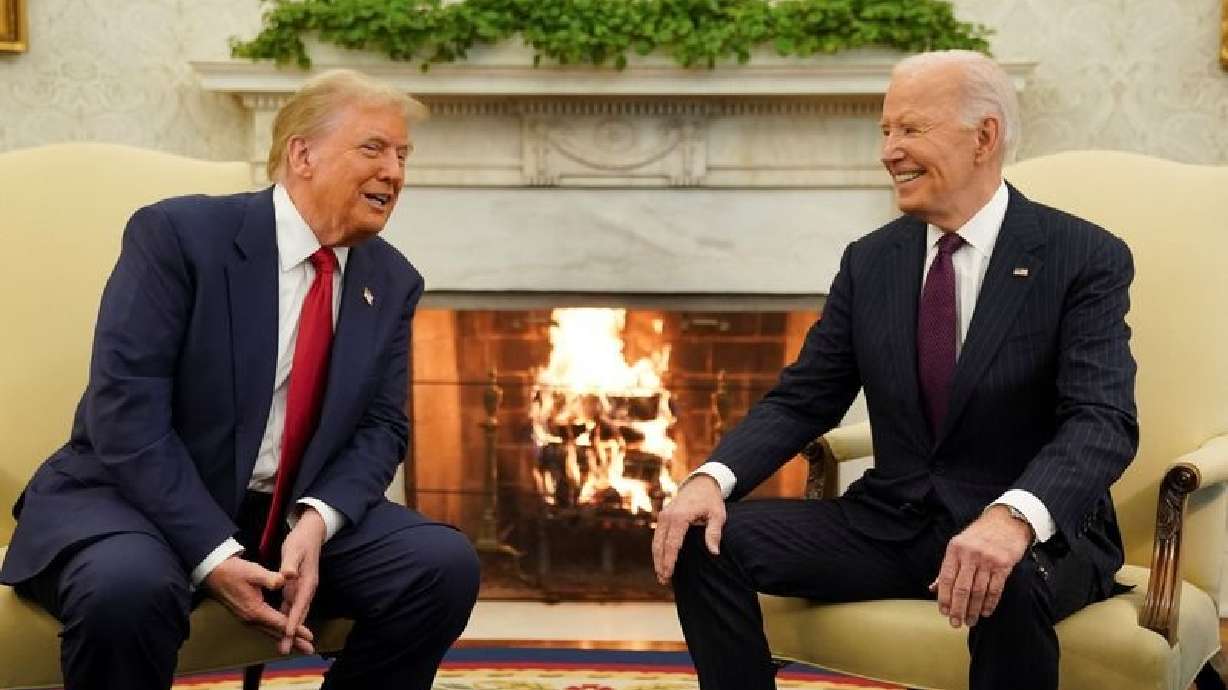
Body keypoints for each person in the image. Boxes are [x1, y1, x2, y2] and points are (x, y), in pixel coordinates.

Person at [652, 50, 1137, 690]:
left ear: (983, 137)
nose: (888, 151)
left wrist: (1011, 518)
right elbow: (805, 399)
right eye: (885, 130)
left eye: (910, 129)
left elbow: (1101, 421)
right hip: (891, 524)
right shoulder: (871, 261)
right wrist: (711, 479)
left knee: (1003, 581)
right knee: (700, 539)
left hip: (1033, 534)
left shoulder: (1081, 256)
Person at [0, 69, 480, 690]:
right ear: (301, 154)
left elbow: (383, 427)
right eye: (373, 149)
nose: (394, 171)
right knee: (126, 588)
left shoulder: (390, 280)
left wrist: (317, 520)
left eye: (402, 154)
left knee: (439, 565)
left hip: (282, 513)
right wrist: (214, 555)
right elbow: (125, 411)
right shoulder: (179, 236)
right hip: (134, 499)